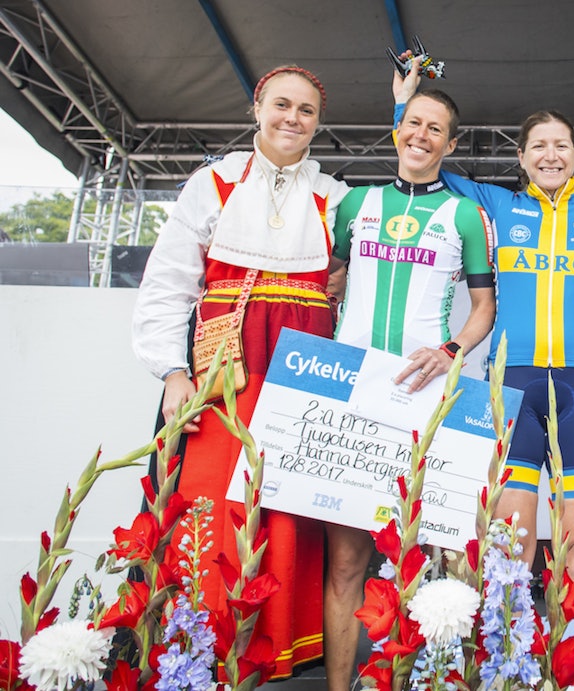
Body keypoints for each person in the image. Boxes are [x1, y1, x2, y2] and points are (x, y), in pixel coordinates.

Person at [391, 60, 574, 609]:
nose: (551, 155)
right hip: (512, 388)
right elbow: (424, 162)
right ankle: (512, 665)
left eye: (562, 146)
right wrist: (401, 110)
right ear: (521, 157)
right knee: (509, 550)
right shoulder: (497, 206)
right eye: (539, 146)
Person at [131, 65, 349, 679]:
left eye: (306, 111)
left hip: (301, 360)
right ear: (258, 108)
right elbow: (168, 283)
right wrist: (173, 373)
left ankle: (280, 648)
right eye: (282, 105)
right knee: (210, 497)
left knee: (288, 503)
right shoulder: (214, 183)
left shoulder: (334, 195)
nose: (292, 119)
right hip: (227, 366)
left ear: (317, 124)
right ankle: (199, 646)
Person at [326, 85, 496, 691]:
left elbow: (484, 308)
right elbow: (330, 281)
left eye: (436, 130)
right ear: (398, 129)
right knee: (346, 564)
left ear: (451, 144)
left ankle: (411, 682)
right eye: (413, 124)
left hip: (424, 398)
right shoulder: (353, 204)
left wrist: (450, 351)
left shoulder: (464, 215)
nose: (421, 136)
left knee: (421, 560)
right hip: (350, 394)